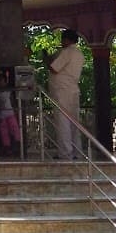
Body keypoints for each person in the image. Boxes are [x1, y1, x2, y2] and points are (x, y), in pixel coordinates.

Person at [46, 29, 85, 159]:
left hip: (62, 90)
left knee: (62, 121)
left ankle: (65, 153)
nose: (61, 42)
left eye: (62, 39)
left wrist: (46, 58)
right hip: (73, 89)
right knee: (74, 122)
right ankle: (76, 152)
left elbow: (54, 68)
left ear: (67, 40)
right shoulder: (79, 53)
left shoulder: (67, 52)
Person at [0, 67, 21, 157]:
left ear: (5, 81)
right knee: (4, 131)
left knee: (14, 128)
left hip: (10, 113)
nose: (1, 82)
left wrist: (15, 110)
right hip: (1, 115)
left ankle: (17, 144)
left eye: (2, 80)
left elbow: (12, 101)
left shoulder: (9, 91)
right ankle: (7, 147)